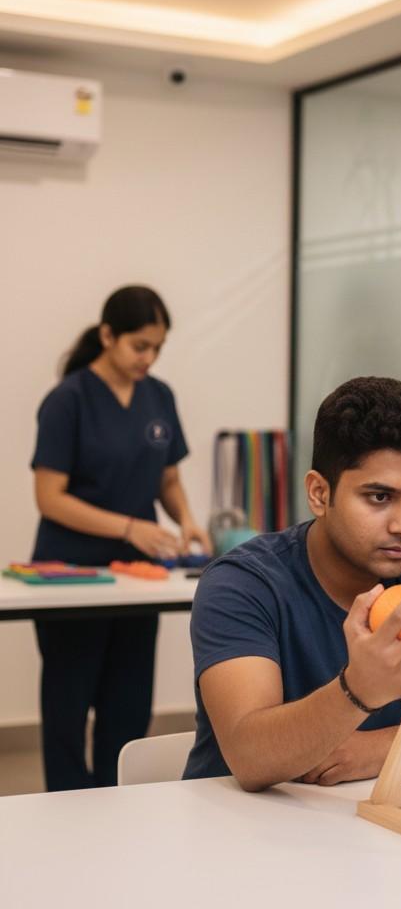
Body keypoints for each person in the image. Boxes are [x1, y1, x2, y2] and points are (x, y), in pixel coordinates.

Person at [183, 376, 401, 790]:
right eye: (379, 497)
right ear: (319, 493)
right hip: (240, 834)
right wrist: (358, 691)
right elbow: (249, 757)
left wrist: (383, 747)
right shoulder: (241, 584)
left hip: (370, 832)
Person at [31, 285, 210, 791]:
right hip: (72, 575)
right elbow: (50, 497)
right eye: (139, 346)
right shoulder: (67, 401)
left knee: (128, 704)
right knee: (68, 706)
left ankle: (118, 805)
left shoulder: (159, 397)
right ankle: (65, 808)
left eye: (157, 348)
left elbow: (167, 479)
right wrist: (131, 527)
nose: (148, 359)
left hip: (139, 578)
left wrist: (187, 521)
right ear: (107, 335)